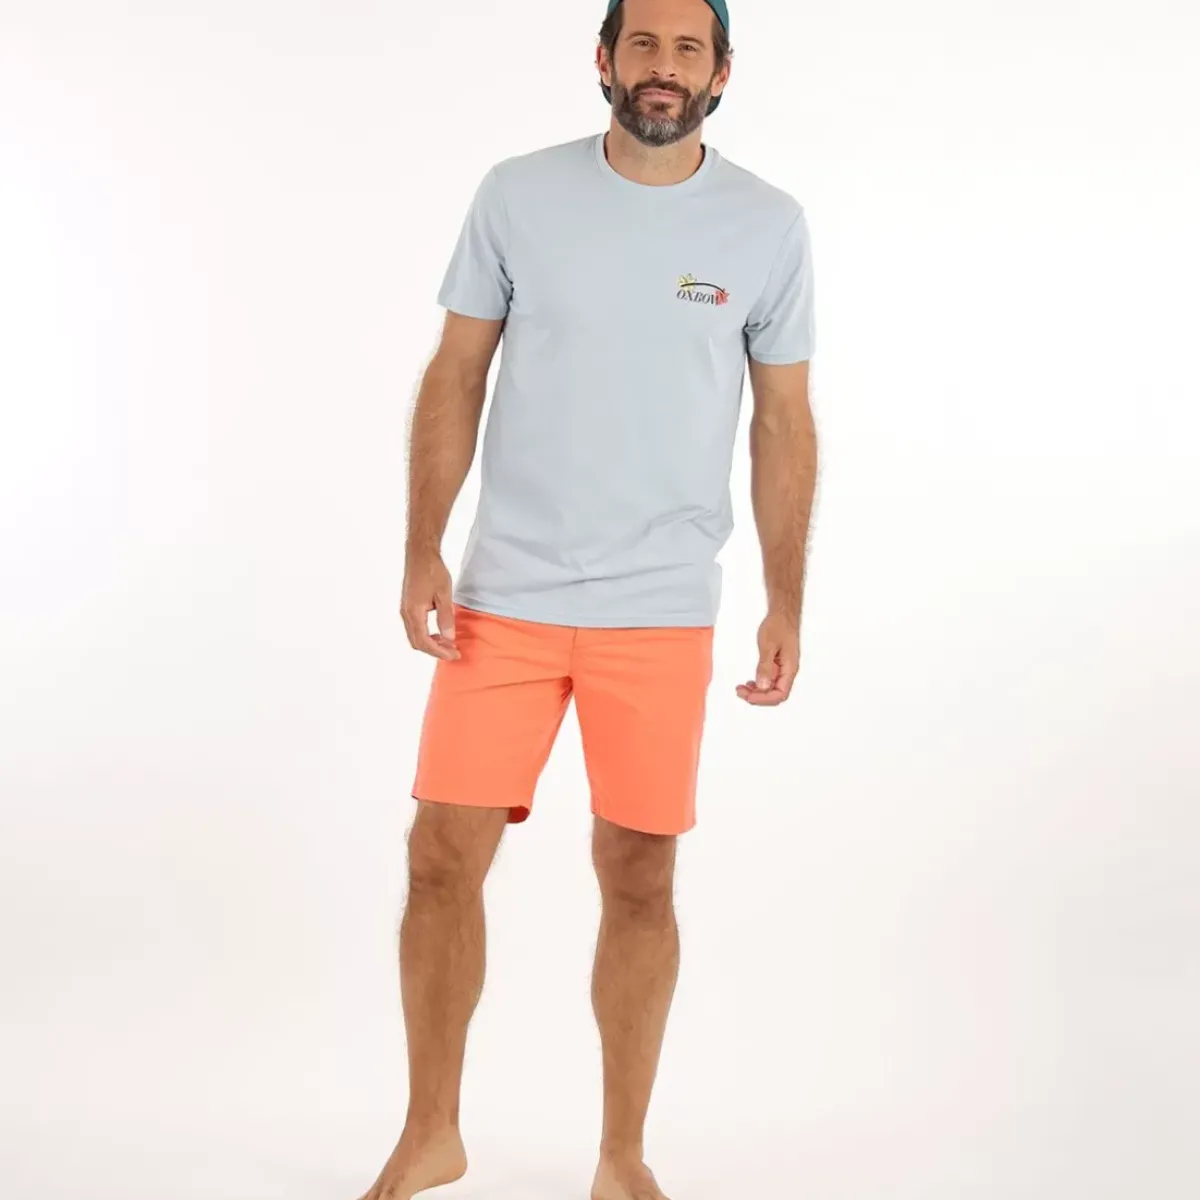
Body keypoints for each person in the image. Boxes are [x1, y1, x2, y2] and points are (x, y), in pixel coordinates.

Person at [358, 0, 818, 1197]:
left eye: (687, 49)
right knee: (439, 858)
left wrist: (785, 598)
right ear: (604, 60)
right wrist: (421, 548)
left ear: (721, 72)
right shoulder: (517, 195)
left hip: (659, 607)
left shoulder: (768, 225)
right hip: (504, 595)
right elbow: (458, 370)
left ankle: (622, 1157)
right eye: (643, 44)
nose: (663, 68)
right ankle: (430, 1134)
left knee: (640, 873)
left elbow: (783, 420)